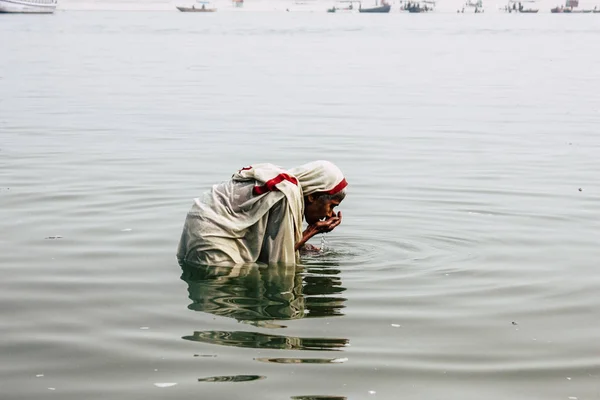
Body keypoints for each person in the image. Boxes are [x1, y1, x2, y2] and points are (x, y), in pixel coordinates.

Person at [177, 160, 347, 266]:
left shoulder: (278, 178)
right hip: (214, 246)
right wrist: (312, 231)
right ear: (312, 196)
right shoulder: (287, 192)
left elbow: (266, 238)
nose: (330, 215)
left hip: (198, 228)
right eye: (331, 206)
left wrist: (303, 246)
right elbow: (278, 260)